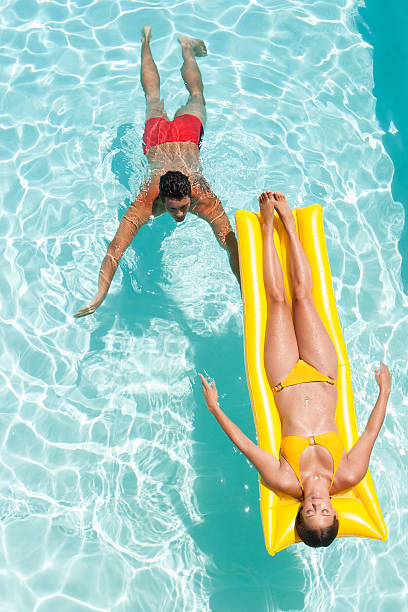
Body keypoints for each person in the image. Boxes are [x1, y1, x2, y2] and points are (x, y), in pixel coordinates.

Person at [200, 191, 391, 548]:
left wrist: (214, 408)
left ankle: (268, 227)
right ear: (336, 512)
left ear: (300, 512)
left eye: (308, 514)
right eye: (324, 513)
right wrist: (384, 390)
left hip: (284, 379)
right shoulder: (349, 473)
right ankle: (290, 221)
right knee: (304, 295)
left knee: (276, 300)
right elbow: (370, 431)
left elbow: (245, 445)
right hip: (324, 374)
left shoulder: (285, 481)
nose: (316, 507)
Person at [75, 26, 240, 318]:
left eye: (184, 208)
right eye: (175, 209)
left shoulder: (203, 196)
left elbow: (229, 242)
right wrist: (100, 294)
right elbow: (116, 248)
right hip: (159, 139)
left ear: (190, 194)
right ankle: (149, 41)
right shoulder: (145, 201)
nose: (180, 215)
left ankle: (183, 47)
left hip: (183, 137)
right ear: (161, 199)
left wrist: (244, 285)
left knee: (182, 96)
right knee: (162, 97)